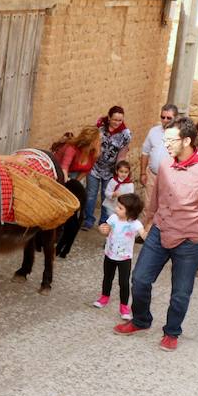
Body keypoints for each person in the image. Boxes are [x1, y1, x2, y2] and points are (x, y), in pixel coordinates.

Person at [113, 117, 198, 352]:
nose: (166, 145)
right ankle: (141, 320)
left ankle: (172, 331)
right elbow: (156, 197)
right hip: (160, 231)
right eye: (165, 140)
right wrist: (145, 222)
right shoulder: (165, 164)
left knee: (181, 293)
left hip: (189, 241)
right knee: (140, 280)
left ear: (186, 140)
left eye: (171, 140)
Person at [93, 193, 145, 321]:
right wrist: (102, 229)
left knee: (124, 283)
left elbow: (144, 235)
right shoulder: (113, 218)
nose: (116, 209)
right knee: (107, 277)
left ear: (131, 212)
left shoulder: (135, 224)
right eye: (118, 206)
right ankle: (104, 297)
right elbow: (106, 229)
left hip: (125, 258)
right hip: (109, 254)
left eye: (120, 208)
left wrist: (149, 235)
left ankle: (124, 306)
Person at [53, 127, 100, 258]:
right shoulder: (71, 149)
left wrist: (76, 183)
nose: (99, 142)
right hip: (61, 175)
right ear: (91, 141)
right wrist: (68, 187)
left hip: (76, 177)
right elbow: (64, 168)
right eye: (97, 140)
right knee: (61, 206)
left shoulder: (93, 153)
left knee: (74, 209)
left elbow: (86, 170)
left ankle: (64, 235)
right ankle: (56, 232)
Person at [83, 106, 132, 229]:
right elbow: (92, 146)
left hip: (110, 170)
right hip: (94, 167)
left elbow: (122, 154)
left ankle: (105, 222)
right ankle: (88, 219)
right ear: (109, 118)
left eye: (120, 120)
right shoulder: (100, 128)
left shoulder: (125, 134)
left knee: (108, 196)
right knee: (91, 194)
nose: (117, 123)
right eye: (114, 119)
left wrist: (118, 171)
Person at [139, 104, 177, 227]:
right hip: (152, 175)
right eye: (163, 117)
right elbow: (145, 152)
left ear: (175, 118)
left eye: (168, 118)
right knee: (148, 205)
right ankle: (145, 232)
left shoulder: (179, 135)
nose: (165, 120)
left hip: (170, 178)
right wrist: (143, 172)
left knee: (165, 206)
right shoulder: (153, 131)